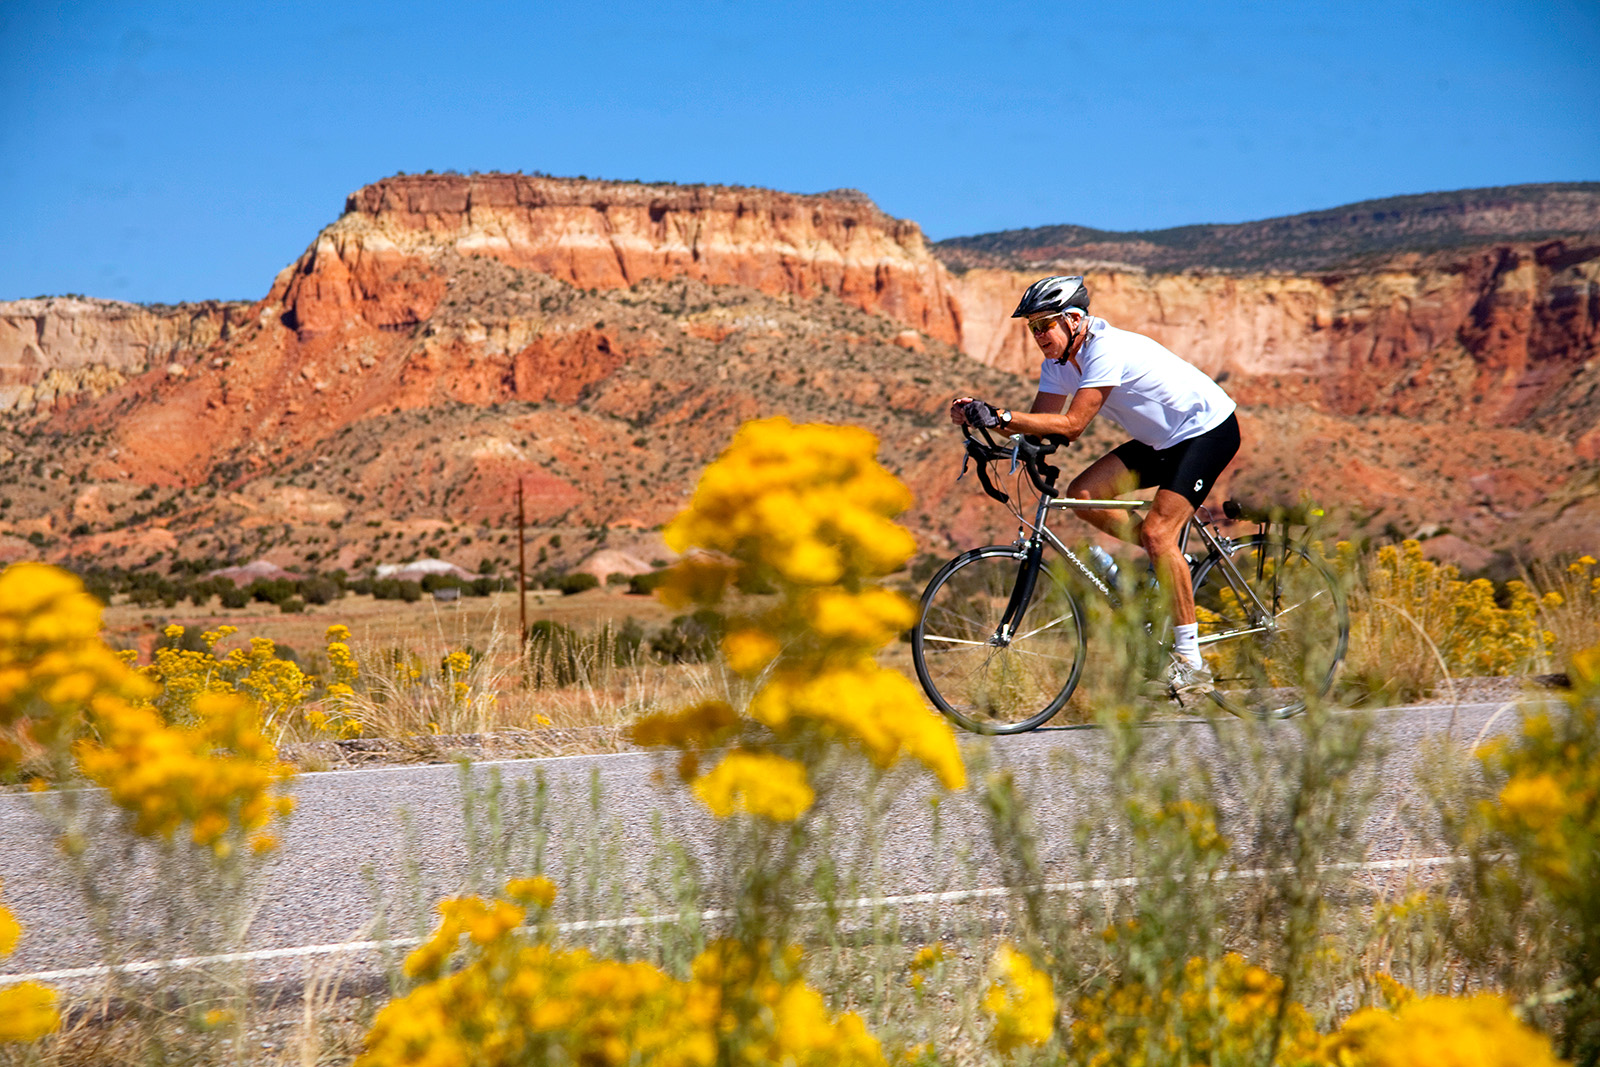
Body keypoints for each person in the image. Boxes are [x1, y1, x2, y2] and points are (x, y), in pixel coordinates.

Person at [949, 275, 1240, 697]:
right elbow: (1038, 432)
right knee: (1083, 495)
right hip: (1161, 441)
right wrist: (984, 428)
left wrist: (999, 415)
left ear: (1073, 319)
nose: (1037, 335)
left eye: (1043, 325)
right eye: (1031, 327)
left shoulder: (1105, 348)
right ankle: (1169, 566)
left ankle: (1192, 664)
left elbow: (1072, 425)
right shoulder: (1058, 365)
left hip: (1206, 431)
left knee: (1159, 532)